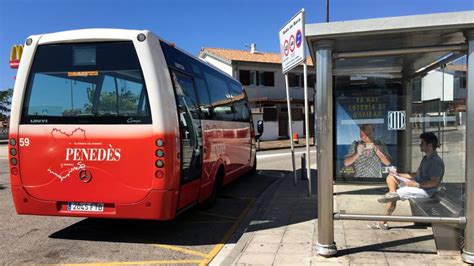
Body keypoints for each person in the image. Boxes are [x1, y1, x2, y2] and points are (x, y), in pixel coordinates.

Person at [369, 132, 445, 230]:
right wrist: (398, 175)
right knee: (391, 177)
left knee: (398, 193)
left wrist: (416, 185)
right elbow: (416, 175)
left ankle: (388, 205)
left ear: (429, 145)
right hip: (416, 184)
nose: (419, 145)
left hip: (425, 190)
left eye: (422, 143)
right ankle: (391, 196)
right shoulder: (426, 158)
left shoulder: (436, 161)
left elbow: (434, 182)